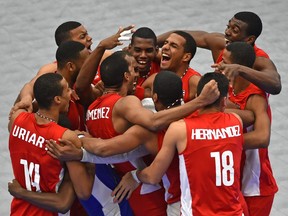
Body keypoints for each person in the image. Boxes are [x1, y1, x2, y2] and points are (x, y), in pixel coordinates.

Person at [111, 72, 246, 215]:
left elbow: (153, 176)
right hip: (234, 211)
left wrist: (135, 175)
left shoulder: (180, 128)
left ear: (197, 96)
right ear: (224, 101)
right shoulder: (236, 121)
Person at [8, 73, 88, 215]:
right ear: (57, 99)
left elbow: (27, 88)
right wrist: (88, 158)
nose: (71, 93)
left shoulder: (17, 119)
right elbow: (78, 195)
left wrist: (26, 98)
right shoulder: (64, 137)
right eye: (67, 90)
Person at [217, 41, 278, 216]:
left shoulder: (255, 96)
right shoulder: (228, 86)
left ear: (239, 68)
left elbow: (262, 137)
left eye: (225, 62)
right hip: (233, 177)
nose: (220, 64)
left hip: (254, 185)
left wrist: (220, 140)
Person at [157, 11, 281, 95]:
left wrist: (239, 69)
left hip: (249, 118)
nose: (227, 32)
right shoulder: (219, 43)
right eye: (228, 26)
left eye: (234, 30)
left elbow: (275, 85)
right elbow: (179, 35)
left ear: (249, 39)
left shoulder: (260, 59)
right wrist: (145, 42)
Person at [142, 31, 201, 102]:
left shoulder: (195, 82)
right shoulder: (153, 80)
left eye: (173, 46)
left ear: (186, 57)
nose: (165, 47)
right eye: (165, 43)